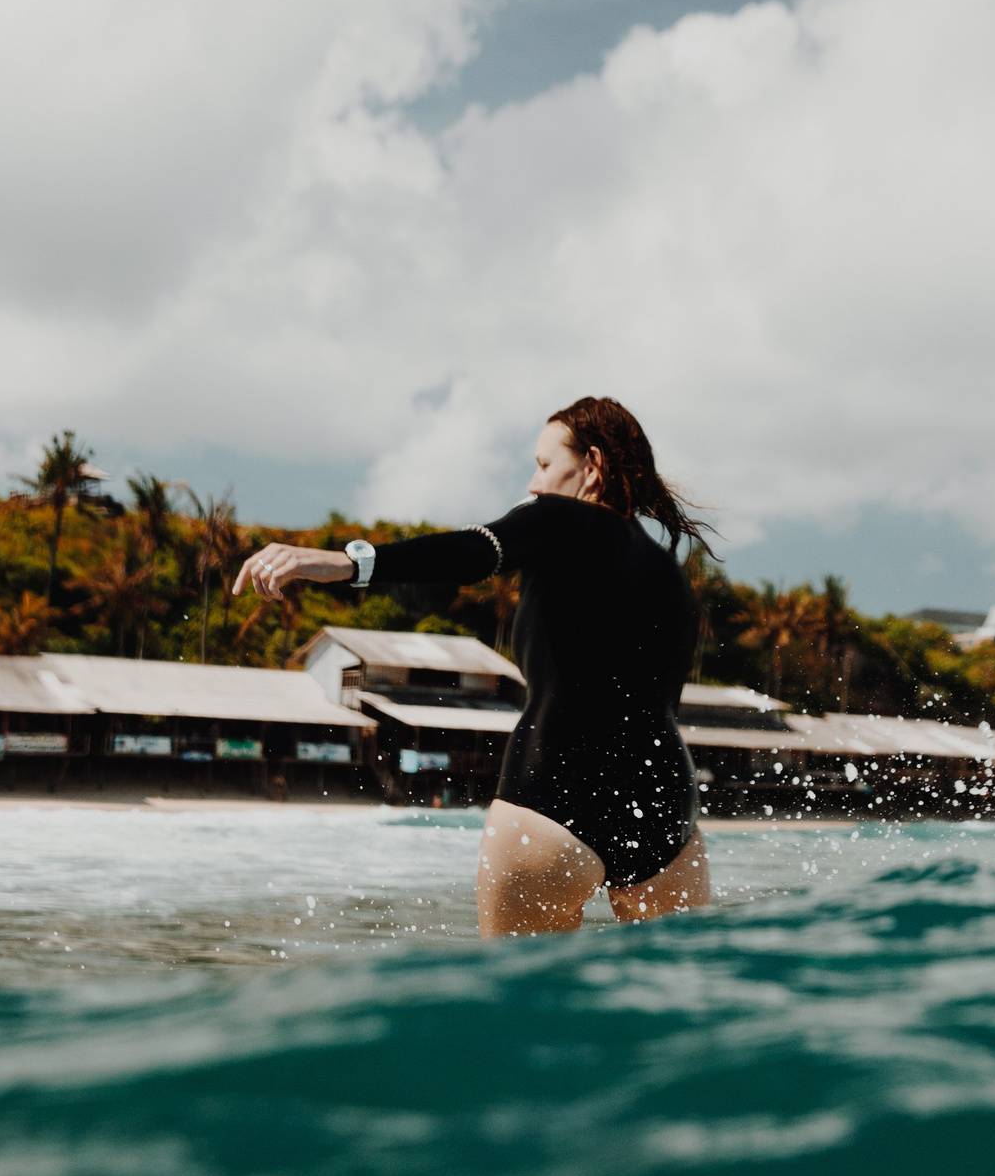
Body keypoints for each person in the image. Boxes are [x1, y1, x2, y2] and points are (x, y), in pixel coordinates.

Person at [236, 397, 715, 937]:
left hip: (555, 789)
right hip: (663, 802)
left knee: (519, 1008)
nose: (533, 484)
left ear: (592, 467)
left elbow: (475, 549)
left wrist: (350, 564)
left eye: (542, 464)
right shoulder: (670, 577)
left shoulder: (557, 516)